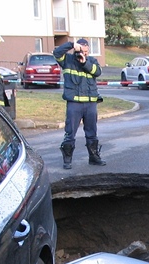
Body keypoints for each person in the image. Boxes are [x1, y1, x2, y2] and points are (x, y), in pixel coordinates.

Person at [53, 38, 105, 169]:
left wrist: (84, 62)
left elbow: (97, 72)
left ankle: (94, 157)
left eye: (86, 51)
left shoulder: (91, 61)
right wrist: (71, 45)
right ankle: (67, 160)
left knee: (92, 132)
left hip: (90, 103)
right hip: (74, 103)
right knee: (70, 133)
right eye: (82, 50)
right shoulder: (67, 60)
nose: (84, 53)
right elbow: (56, 53)